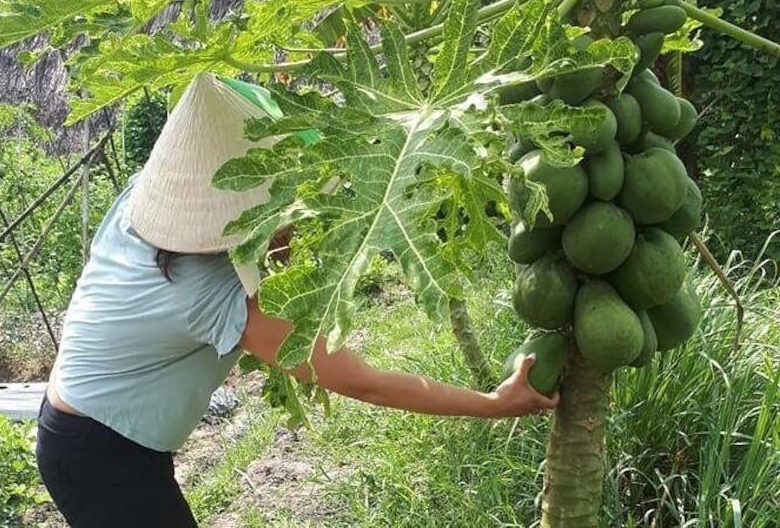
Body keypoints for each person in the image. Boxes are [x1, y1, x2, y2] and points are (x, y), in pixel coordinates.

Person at [35, 73, 559, 528]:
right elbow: (363, 383)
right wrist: (493, 405)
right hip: (101, 457)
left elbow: (242, 189)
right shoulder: (210, 293)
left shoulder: (146, 199)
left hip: (80, 424)